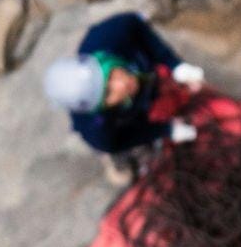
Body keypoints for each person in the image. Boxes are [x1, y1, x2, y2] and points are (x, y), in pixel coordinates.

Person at [43, 12, 204, 159]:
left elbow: (134, 22)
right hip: (129, 111)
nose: (122, 84)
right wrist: (166, 130)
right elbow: (113, 144)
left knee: (162, 84)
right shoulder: (96, 128)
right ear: (100, 108)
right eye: (107, 93)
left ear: (102, 61)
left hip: (143, 71)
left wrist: (175, 65)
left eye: (109, 74)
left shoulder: (106, 36)